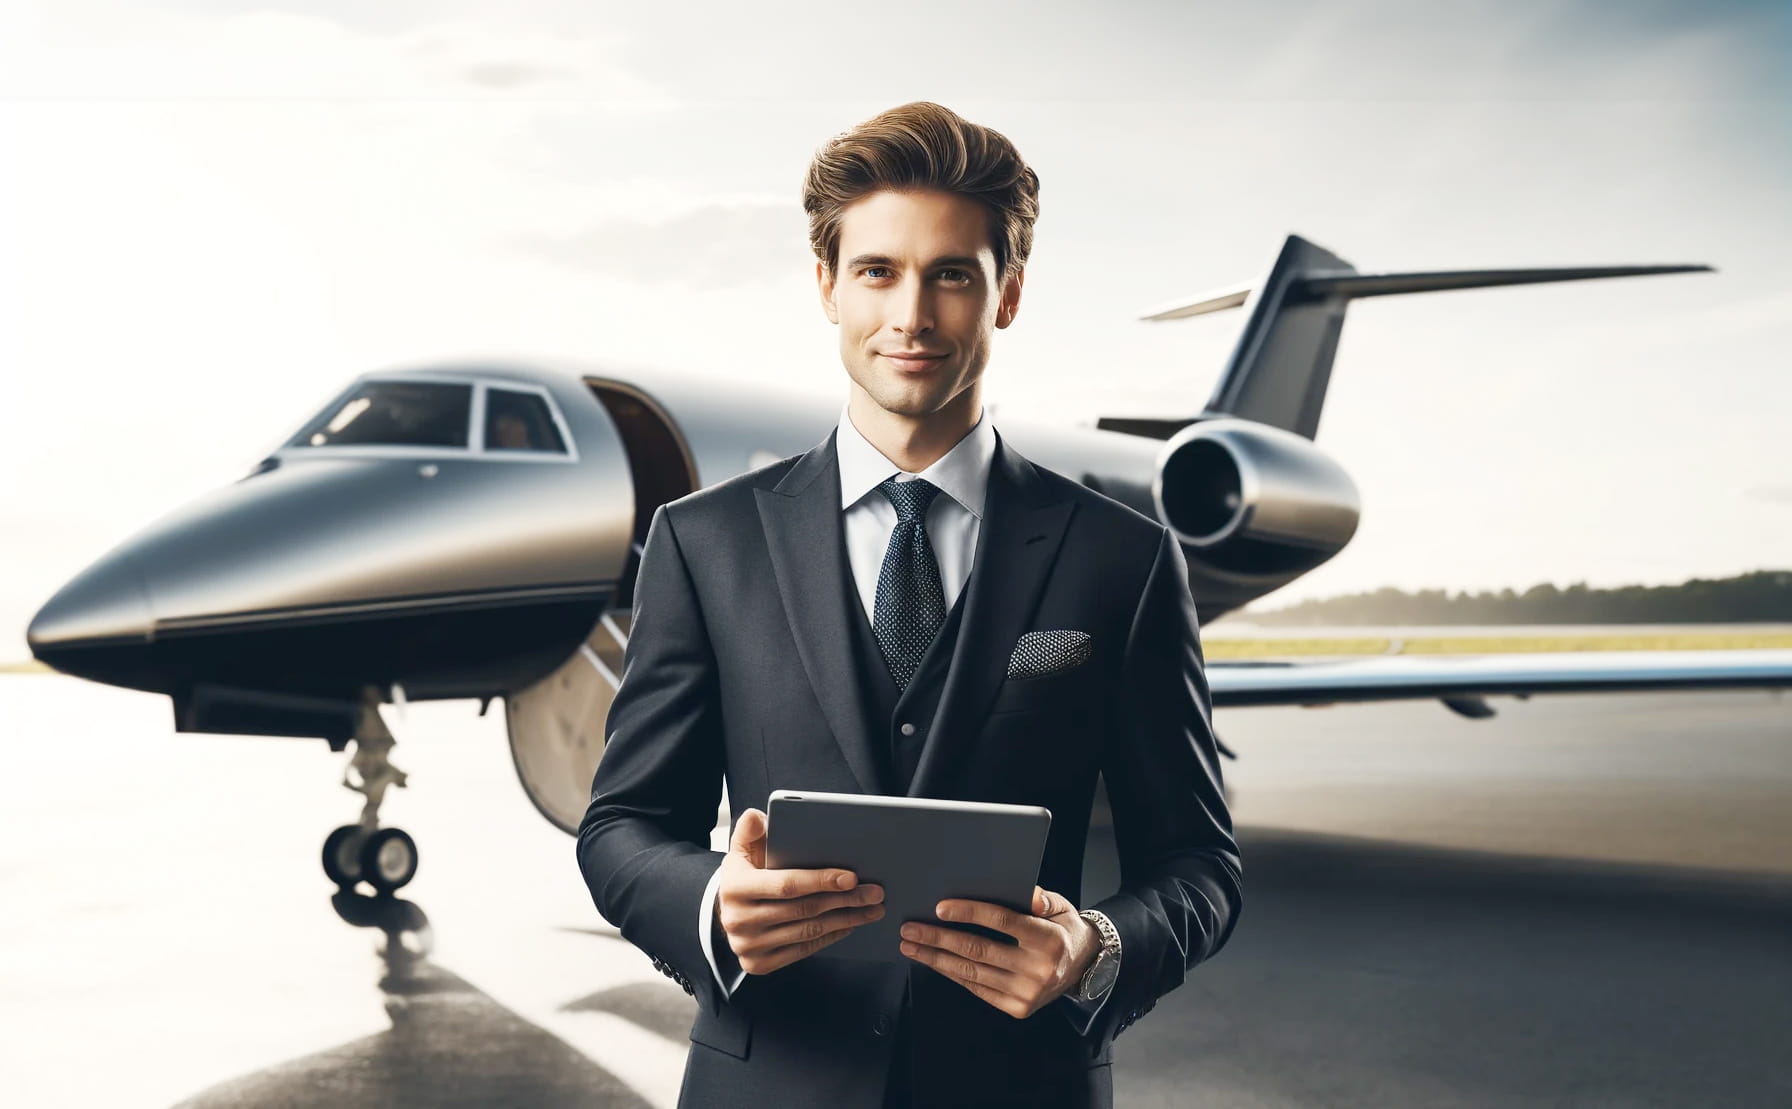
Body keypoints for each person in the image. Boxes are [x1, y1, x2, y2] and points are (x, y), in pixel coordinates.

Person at [575, 100, 1241, 1109]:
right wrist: (713, 903)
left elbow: (1197, 862)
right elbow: (623, 824)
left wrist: (1095, 947)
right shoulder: (704, 542)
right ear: (826, 287)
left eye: (951, 276)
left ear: (1006, 294)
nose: (912, 317)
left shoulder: (1124, 558)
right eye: (878, 272)